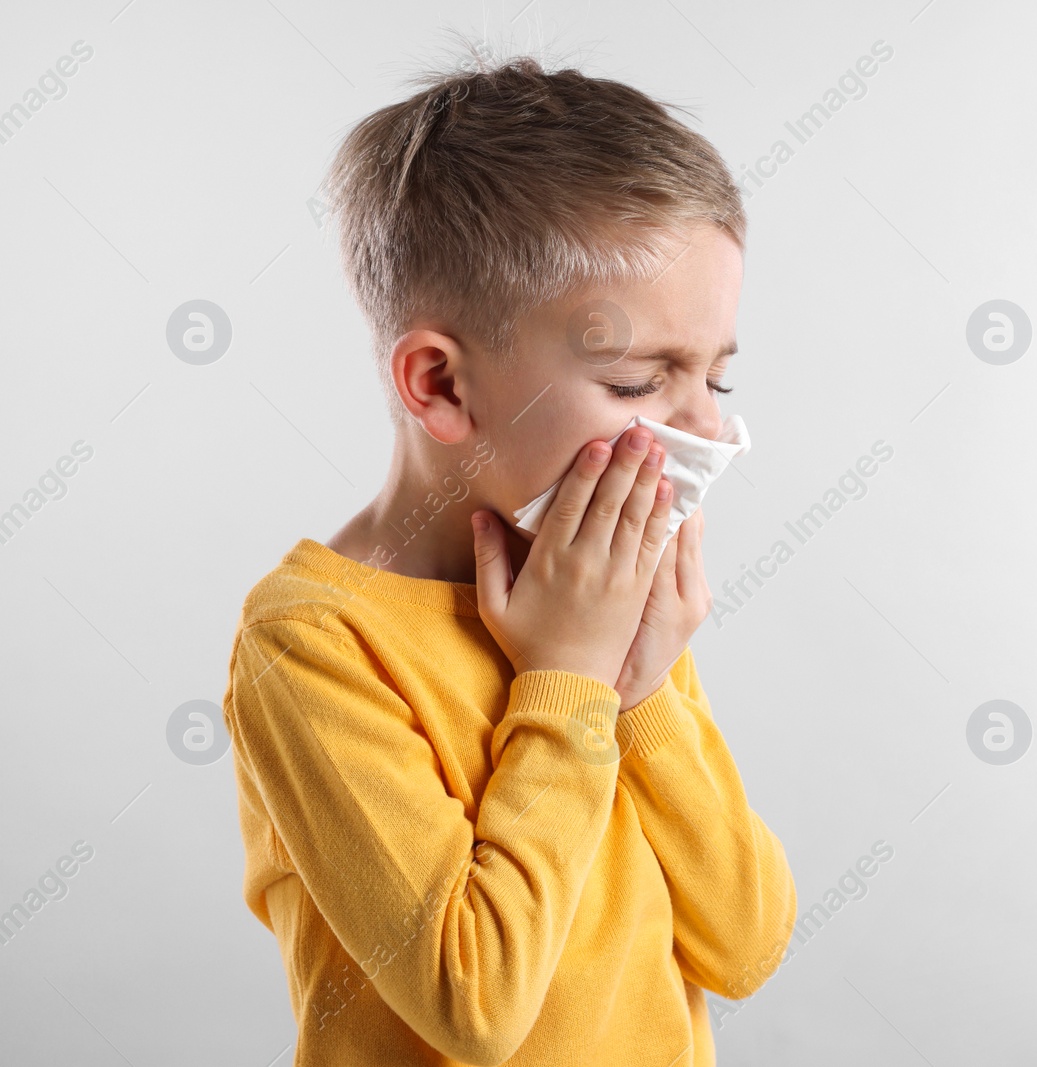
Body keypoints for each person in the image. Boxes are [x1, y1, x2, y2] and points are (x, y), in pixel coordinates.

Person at [221, 44, 796, 1066]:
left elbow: (745, 943)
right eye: (635, 384)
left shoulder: (602, 590)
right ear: (441, 386)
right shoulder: (310, 639)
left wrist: (642, 685)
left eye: (718, 378)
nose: (704, 427)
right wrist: (568, 677)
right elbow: (474, 1004)